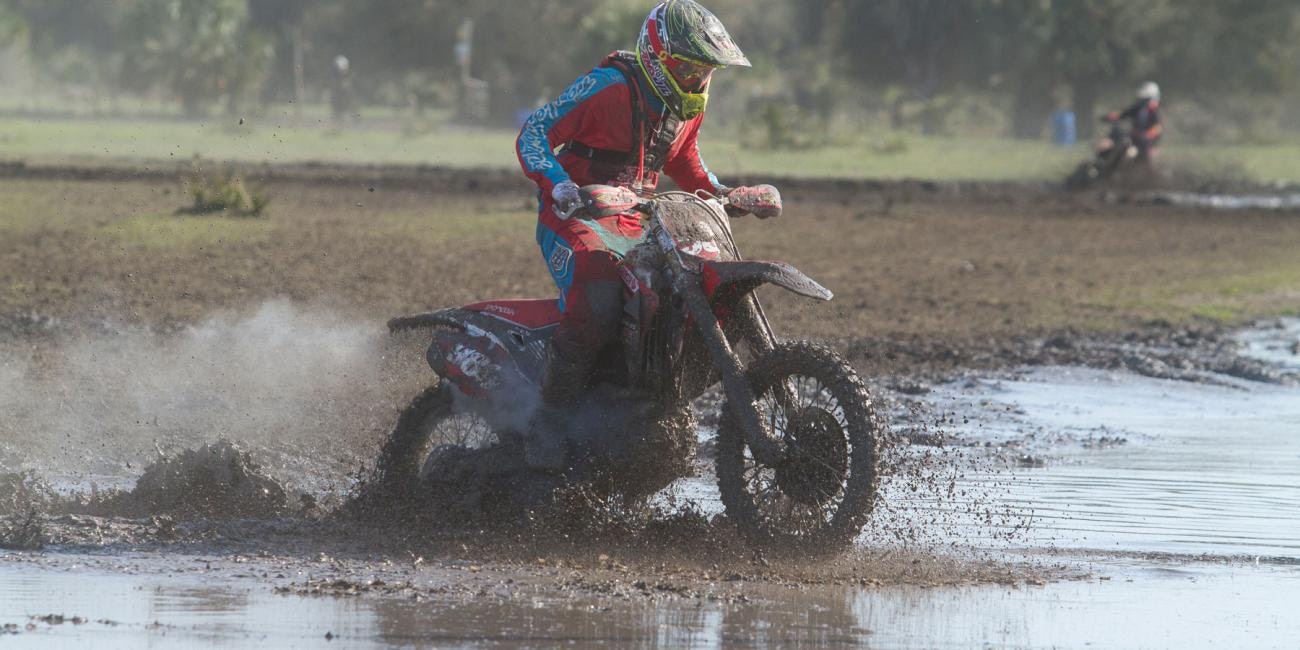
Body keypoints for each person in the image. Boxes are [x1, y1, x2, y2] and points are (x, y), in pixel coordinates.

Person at [514, 0, 771, 469]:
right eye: (689, 68)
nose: (697, 80)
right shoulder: (608, 86)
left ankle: (645, 399)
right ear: (658, 57)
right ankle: (547, 421)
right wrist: (561, 186)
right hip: (575, 215)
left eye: (705, 71)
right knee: (600, 286)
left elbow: (685, 163)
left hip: (637, 218)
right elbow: (534, 132)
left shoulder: (685, 110)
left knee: (683, 286)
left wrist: (727, 194)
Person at [1104, 81, 1162, 163]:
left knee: (1142, 148)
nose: (1143, 102)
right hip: (1134, 135)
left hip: (1145, 140)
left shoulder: (1154, 112)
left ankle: (1142, 166)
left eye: (1145, 100)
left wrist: (1148, 134)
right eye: (1142, 100)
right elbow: (1123, 114)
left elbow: (1157, 128)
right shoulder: (1137, 108)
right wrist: (1109, 117)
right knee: (1116, 137)